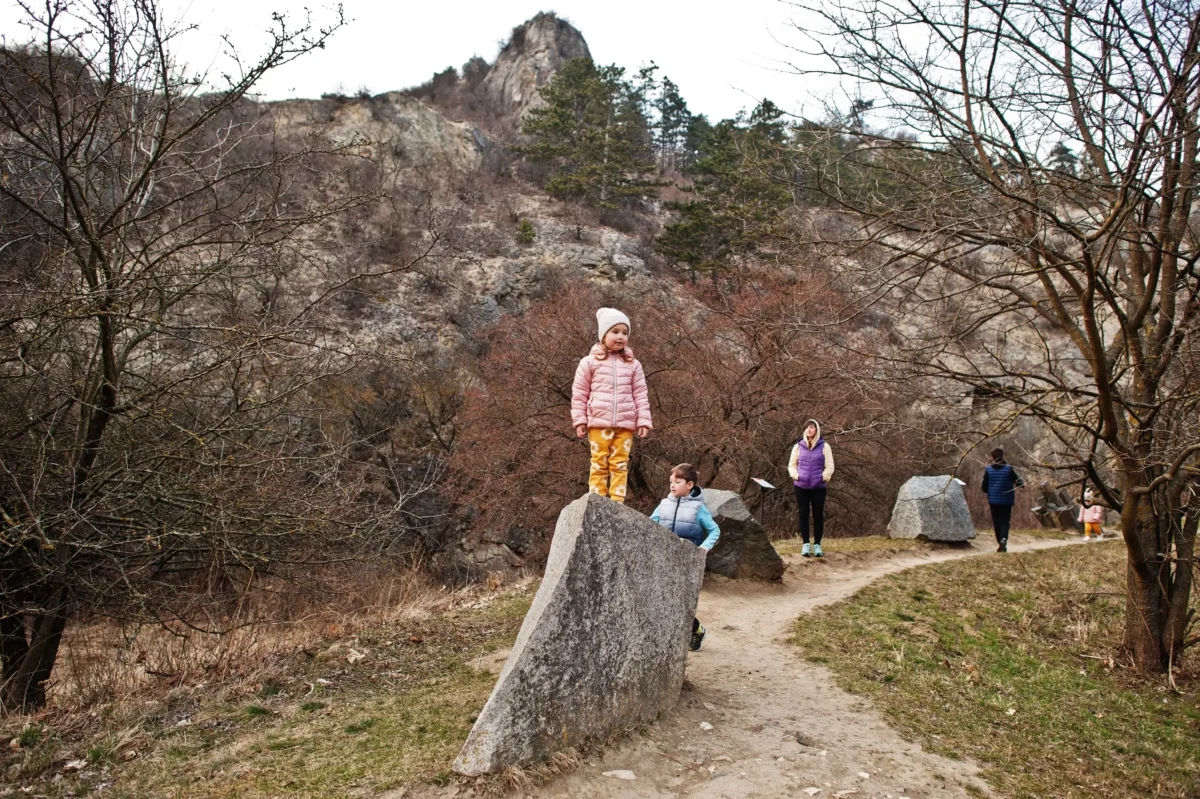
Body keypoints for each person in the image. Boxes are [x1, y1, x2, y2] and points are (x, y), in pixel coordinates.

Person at [571, 308, 652, 503]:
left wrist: (643, 421)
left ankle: (617, 502)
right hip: (599, 422)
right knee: (599, 463)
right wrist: (579, 420)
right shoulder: (588, 362)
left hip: (625, 424)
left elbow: (641, 394)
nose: (621, 337)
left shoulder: (634, 365)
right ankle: (596, 501)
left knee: (620, 464)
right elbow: (579, 394)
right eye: (615, 331)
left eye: (625, 333)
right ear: (603, 335)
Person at [650, 463, 720, 651]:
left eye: (677, 482)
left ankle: (697, 631)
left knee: (681, 602)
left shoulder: (698, 508)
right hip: (663, 559)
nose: (672, 485)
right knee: (661, 598)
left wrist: (704, 547)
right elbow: (650, 526)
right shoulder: (664, 504)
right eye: (671, 482)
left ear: (689, 485)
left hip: (687, 563)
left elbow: (714, 530)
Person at [788, 419, 834, 557]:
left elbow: (830, 466)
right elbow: (791, 465)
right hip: (801, 486)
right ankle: (806, 544)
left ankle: (818, 545)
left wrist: (822, 477)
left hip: (818, 487)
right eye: (807, 427)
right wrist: (796, 475)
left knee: (818, 515)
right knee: (803, 514)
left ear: (816, 430)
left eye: (812, 427)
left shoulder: (825, 446)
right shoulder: (798, 447)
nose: (809, 430)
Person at [981, 447, 1025, 552]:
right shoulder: (1009, 469)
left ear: (992, 457)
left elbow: (984, 487)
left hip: (993, 501)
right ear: (1003, 456)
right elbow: (1019, 483)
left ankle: (1000, 540)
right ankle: (1003, 539)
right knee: (1005, 521)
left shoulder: (988, 470)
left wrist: (992, 491)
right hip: (1007, 501)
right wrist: (1022, 484)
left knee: (996, 521)